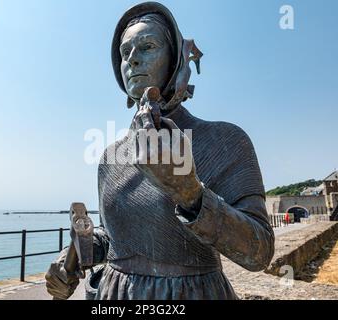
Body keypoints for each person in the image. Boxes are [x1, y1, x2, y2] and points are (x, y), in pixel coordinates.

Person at [45, 1, 275, 300]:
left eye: (147, 46)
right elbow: (115, 238)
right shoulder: (110, 157)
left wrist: (191, 194)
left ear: (176, 59)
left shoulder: (224, 140)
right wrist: (74, 253)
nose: (132, 60)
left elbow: (258, 252)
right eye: (125, 53)